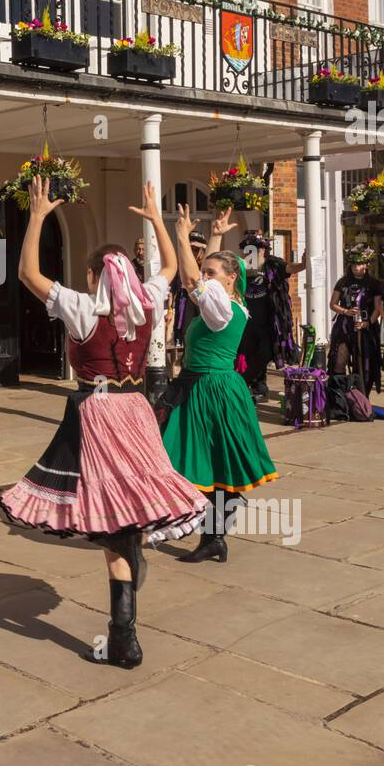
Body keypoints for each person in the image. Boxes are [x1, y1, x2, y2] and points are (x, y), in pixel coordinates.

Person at [0, 180, 207, 670]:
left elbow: (28, 273)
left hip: (98, 412)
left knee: (115, 519)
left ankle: (123, 637)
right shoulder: (146, 303)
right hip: (138, 407)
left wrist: (36, 216)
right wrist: (158, 219)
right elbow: (172, 269)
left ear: (94, 274)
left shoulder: (83, 307)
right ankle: (126, 613)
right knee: (133, 508)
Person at [158, 207, 278, 564]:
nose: (205, 276)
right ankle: (211, 535)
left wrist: (181, 237)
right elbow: (202, 281)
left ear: (230, 279)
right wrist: (215, 235)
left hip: (213, 389)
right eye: (206, 270)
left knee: (211, 464)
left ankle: (210, 534)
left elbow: (196, 283)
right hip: (204, 386)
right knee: (204, 462)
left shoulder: (223, 306)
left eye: (213, 272)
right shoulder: (225, 301)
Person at [219, 226, 305, 400]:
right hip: (246, 320)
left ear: (264, 249)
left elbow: (290, 268)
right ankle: (258, 388)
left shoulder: (272, 264)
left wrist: (304, 264)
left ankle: (248, 383)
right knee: (247, 353)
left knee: (265, 353)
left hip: (269, 320)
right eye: (247, 249)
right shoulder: (239, 267)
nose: (251, 253)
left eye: (256, 248)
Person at [327, 245, 384, 398]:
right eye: (354, 265)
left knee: (364, 363)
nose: (357, 268)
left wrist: (367, 323)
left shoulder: (375, 284)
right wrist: (346, 311)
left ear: (366, 265)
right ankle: (337, 396)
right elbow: (332, 304)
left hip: (367, 328)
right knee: (339, 360)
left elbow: (378, 308)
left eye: (359, 264)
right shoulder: (342, 282)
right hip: (344, 326)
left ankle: (360, 397)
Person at [168, 226, 209, 357]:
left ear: (203, 251)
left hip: (203, 301)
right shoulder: (180, 266)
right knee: (186, 334)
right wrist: (169, 310)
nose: (193, 252)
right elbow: (172, 289)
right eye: (190, 248)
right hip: (185, 303)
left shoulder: (208, 266)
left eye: (196, 249)